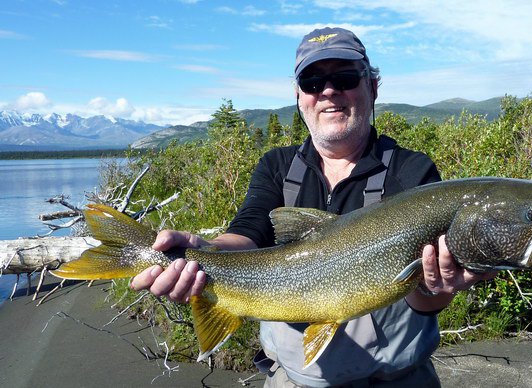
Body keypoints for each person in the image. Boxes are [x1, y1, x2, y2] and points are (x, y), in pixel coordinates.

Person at [130, 27, 495, 387]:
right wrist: (201, 252)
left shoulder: (411, 171)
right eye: (313, 81)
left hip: (397, 379)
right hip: (293, 380)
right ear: (300, 95)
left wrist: (440, 286)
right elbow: (247, 232)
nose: (329, 91)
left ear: (373, 87)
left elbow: (426, 297)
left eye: (346, 77)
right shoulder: (277, 166)